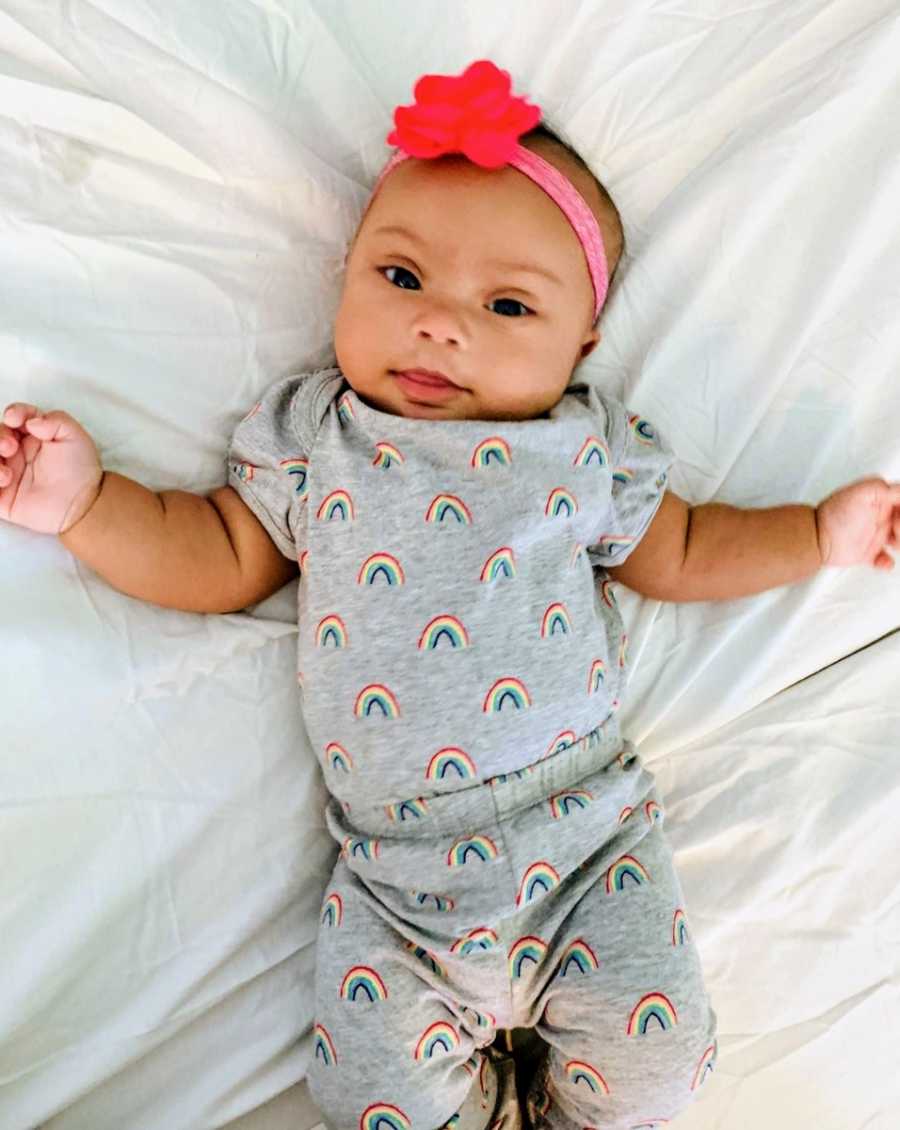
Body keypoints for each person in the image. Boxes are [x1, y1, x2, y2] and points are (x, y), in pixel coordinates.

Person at [1, 58, 898, 1130]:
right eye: (401, 278)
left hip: (587, 840)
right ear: (346, 274)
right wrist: (87, 504)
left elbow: (687, 549)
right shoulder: (316, 440)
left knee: (655, 1067)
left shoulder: (579, 451)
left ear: (582, 346)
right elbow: (220, 552)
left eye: (507, 303)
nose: (438, 324)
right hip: (395, 879)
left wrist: (817, 534)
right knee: (366, 1095)